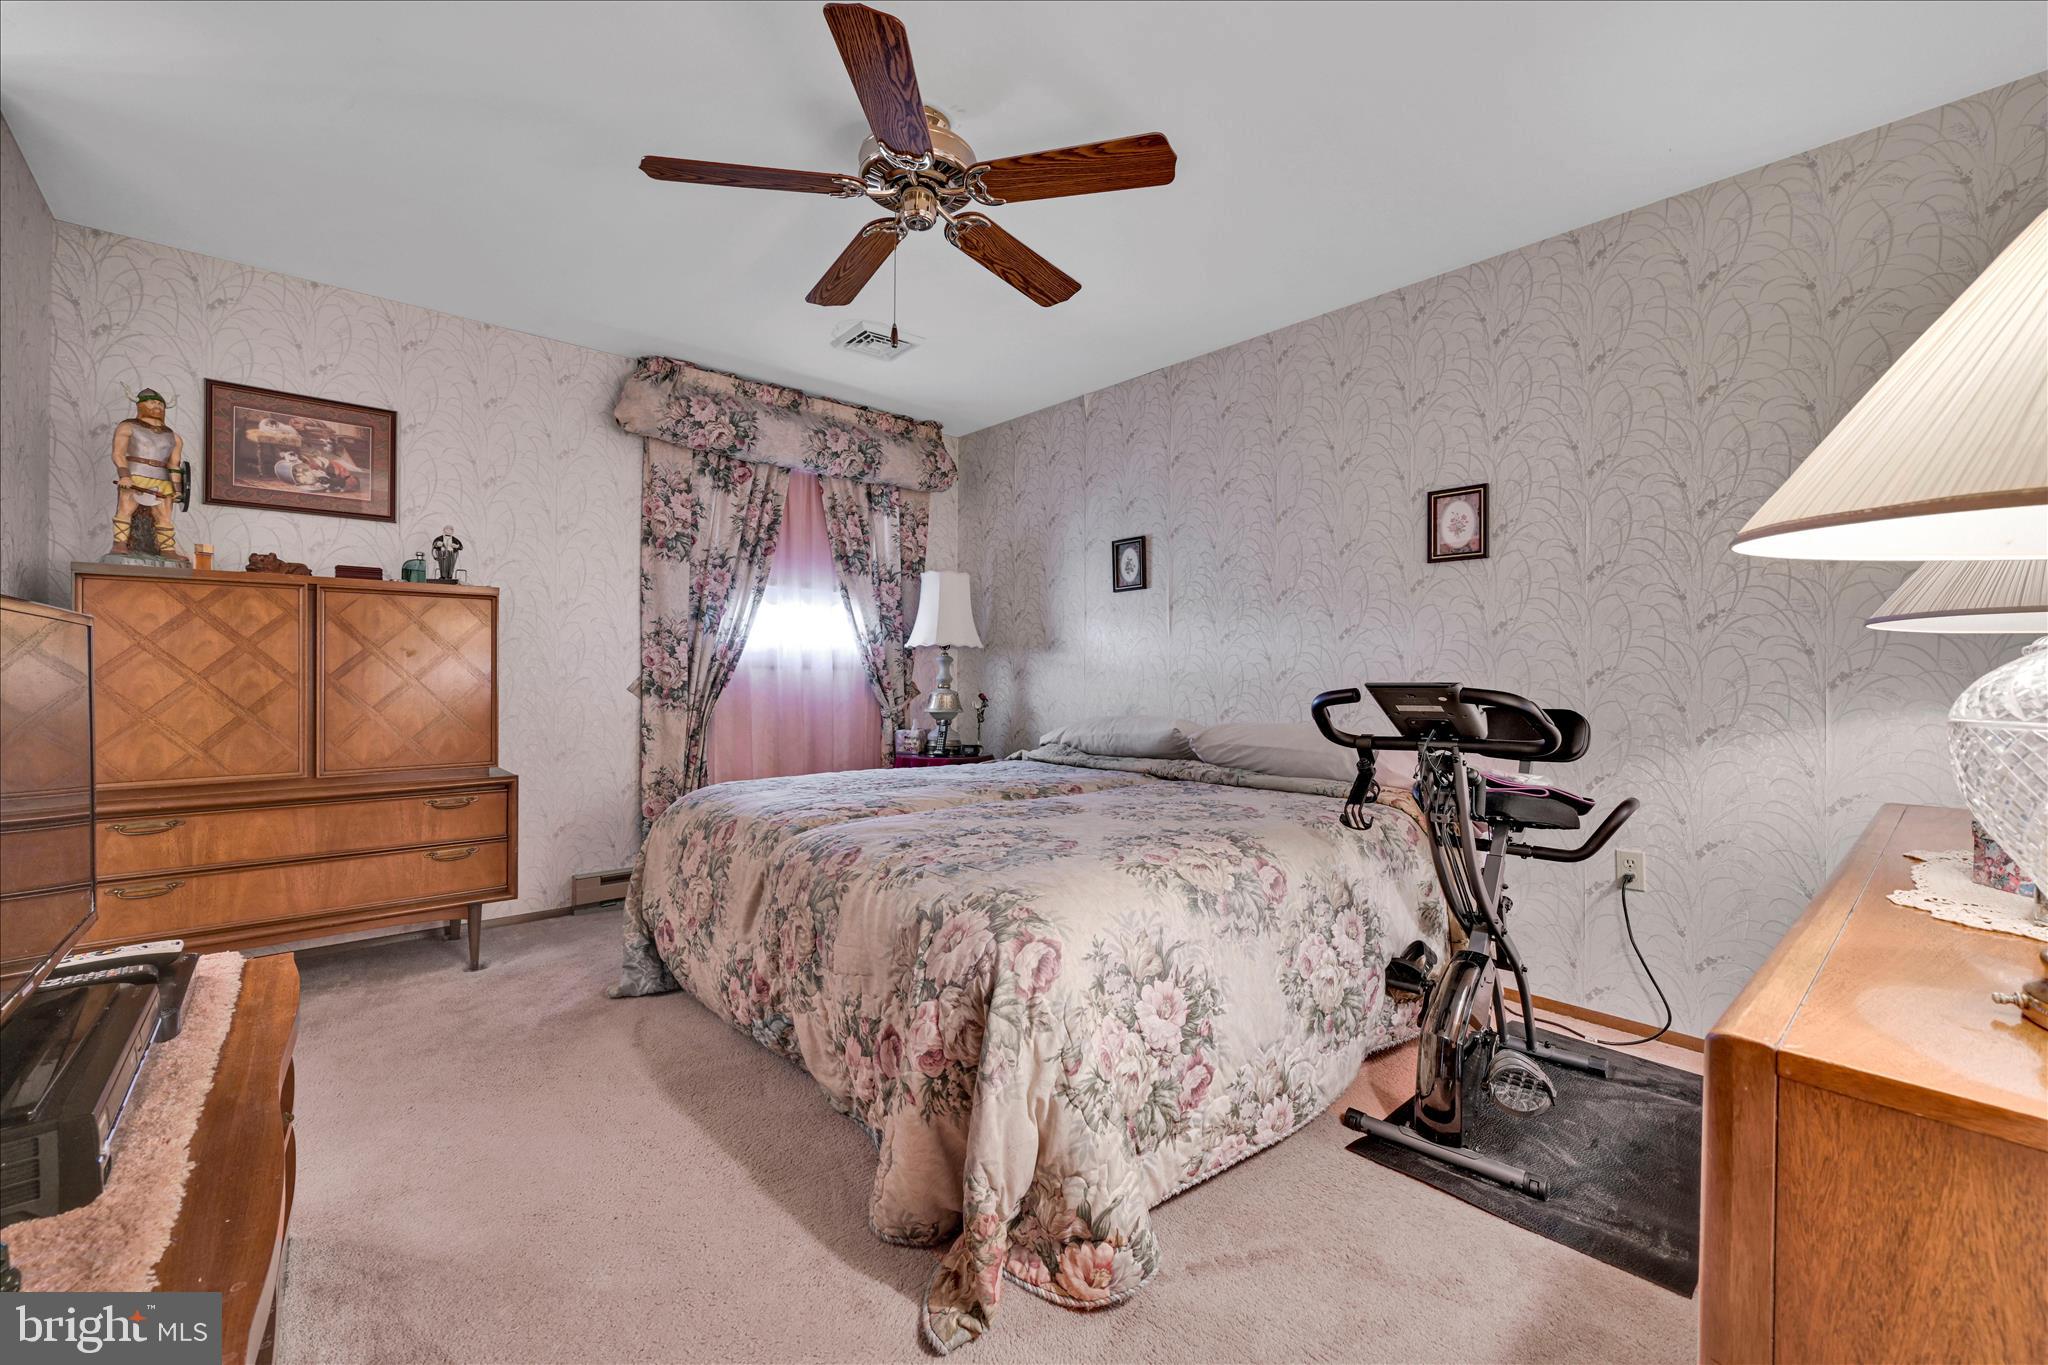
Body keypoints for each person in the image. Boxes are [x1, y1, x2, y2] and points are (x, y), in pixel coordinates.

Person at [109, 388, 189, 562]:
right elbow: (118, 453)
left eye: (160, 403)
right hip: (136, 474)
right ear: (141, 404)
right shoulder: (128, 426)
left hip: (162, 479)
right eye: (152, 402)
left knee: (164, 516)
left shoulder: (173, 437)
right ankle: (120, 542)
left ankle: (167, 548)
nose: (157, 406)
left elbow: (174, 465)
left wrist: (177, 489)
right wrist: (124, 475)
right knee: (125, 509)